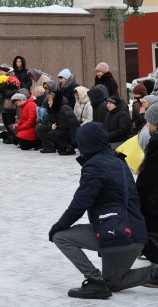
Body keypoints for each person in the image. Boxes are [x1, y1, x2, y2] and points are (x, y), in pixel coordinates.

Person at [48, 122, 158, 299]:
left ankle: (94, 281)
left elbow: (80, 203)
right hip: (134, 235)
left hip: (117, 232)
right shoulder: (117, 160)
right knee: (113, 283)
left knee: (60, 237)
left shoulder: (95, 166)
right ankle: (155, 273)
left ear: (86, 142)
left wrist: (60, 225)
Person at [137, 103, 158, 267]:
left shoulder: (156, 143)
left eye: (149, 122)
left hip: (153, 199)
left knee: (144, 230)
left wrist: (138, 198)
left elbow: (148, 178)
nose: (147, 125)